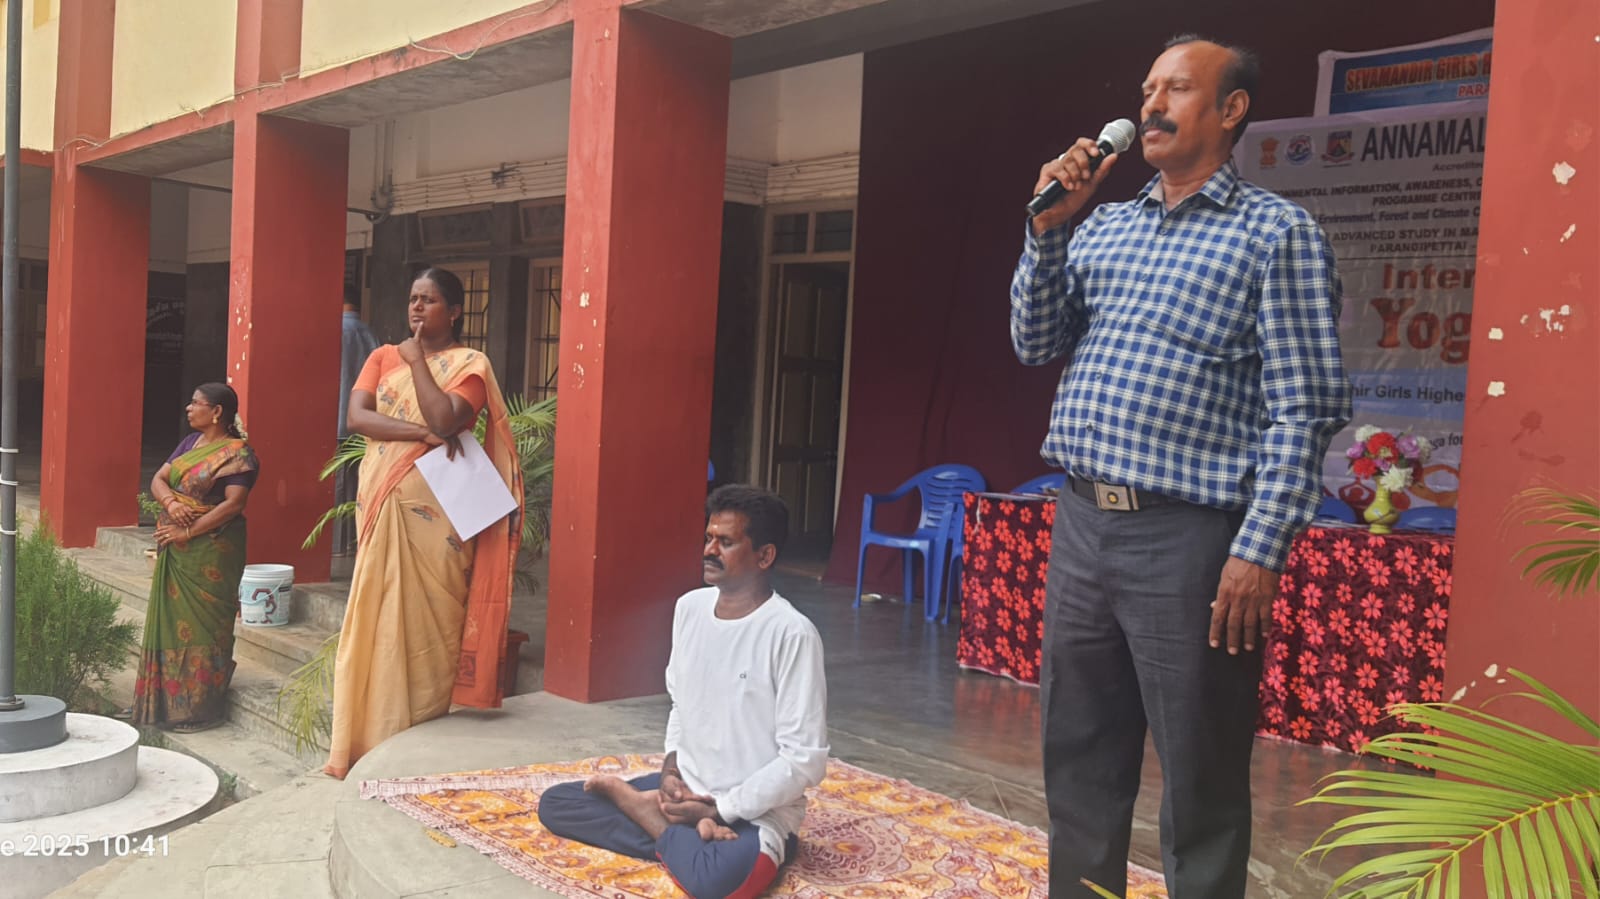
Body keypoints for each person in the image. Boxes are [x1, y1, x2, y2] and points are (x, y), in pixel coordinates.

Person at [1010, 35, 1351, 897]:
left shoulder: (1276, 235)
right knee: (1078, 760)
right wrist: (1047, 231)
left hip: (1189, 540)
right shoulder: (1105, 226)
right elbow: (1034, 341)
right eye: (1148, 89)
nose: (1151, 106)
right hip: (1082, 524)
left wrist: (1258, 548)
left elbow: (1304, 408)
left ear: (1231, 110)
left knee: (1200, 777)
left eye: (1177, 89)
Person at [537, 486, 828, 899]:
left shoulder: (792, 633)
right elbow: (680, 703)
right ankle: (682, 834)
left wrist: (720, 810)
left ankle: (649, 817)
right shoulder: (689, 608)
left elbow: (804, 760)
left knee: (717, 882)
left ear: (764, 556)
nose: (710, 550)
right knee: (557, 803)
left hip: (752, 811)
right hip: (686, 789)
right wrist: (671, 773)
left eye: (726, 542)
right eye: (708, 538)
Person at [324, 266, 524, 779]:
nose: (416, 307)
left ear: (454, 311)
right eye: (413, 298)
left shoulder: (470, 365)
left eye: (429, 300)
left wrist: (417, 363)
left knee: (430, 618)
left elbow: (445, 418)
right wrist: (418, 433)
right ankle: (365, 739)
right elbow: (358, 418)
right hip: (381, 503)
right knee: (377, 615)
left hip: (440, 520)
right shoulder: (380, 357)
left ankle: (419, 737)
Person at [131, 382, 260, 734]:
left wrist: (187, 532)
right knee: (170, 622)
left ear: (217, 412)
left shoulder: (238, 455)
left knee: (207, 627)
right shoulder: (189, 444)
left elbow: (233, 504)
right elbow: (159, 479)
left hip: (212, 551)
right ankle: (163, 701)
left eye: (196, 403)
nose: (189, 408)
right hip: (176, 550)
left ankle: (201, 709)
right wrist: (171, 503)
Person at [335, 286, 381, 557]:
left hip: (337, 417)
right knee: (360, 484)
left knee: (338, 485)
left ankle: (338, 546)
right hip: (366, 420)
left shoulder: (335, 330)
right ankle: (355, 542)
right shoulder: (369, 333)